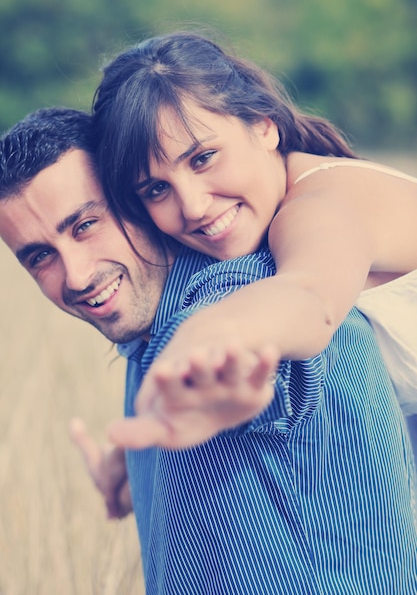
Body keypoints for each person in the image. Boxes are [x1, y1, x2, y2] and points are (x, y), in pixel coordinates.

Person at [1, 107, 417, 594]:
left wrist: (228, 368)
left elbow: (274, 361)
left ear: (136, 202)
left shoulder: (242, 294)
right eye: (39, 256)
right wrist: (141, 459)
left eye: (86, 225)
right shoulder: (148, 334)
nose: (75, 275)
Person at [90, 30, 417, 455]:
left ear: (264, 127)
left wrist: (214, 332)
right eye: (155, 189)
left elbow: (310, 296)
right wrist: (135, 455)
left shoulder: (318, 207)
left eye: (203, 158)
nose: (192, 206)